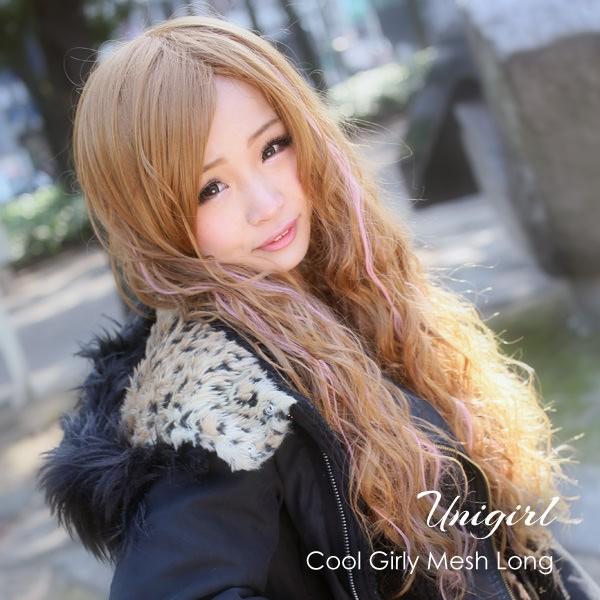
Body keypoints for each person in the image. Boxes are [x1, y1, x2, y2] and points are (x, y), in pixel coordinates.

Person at [36, 16, 599, 600]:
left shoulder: (354, 291)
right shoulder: (218, 408)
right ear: (153, 221)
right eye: (211, 188)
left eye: (271, 147)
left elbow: (508, 544)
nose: (266, 201)